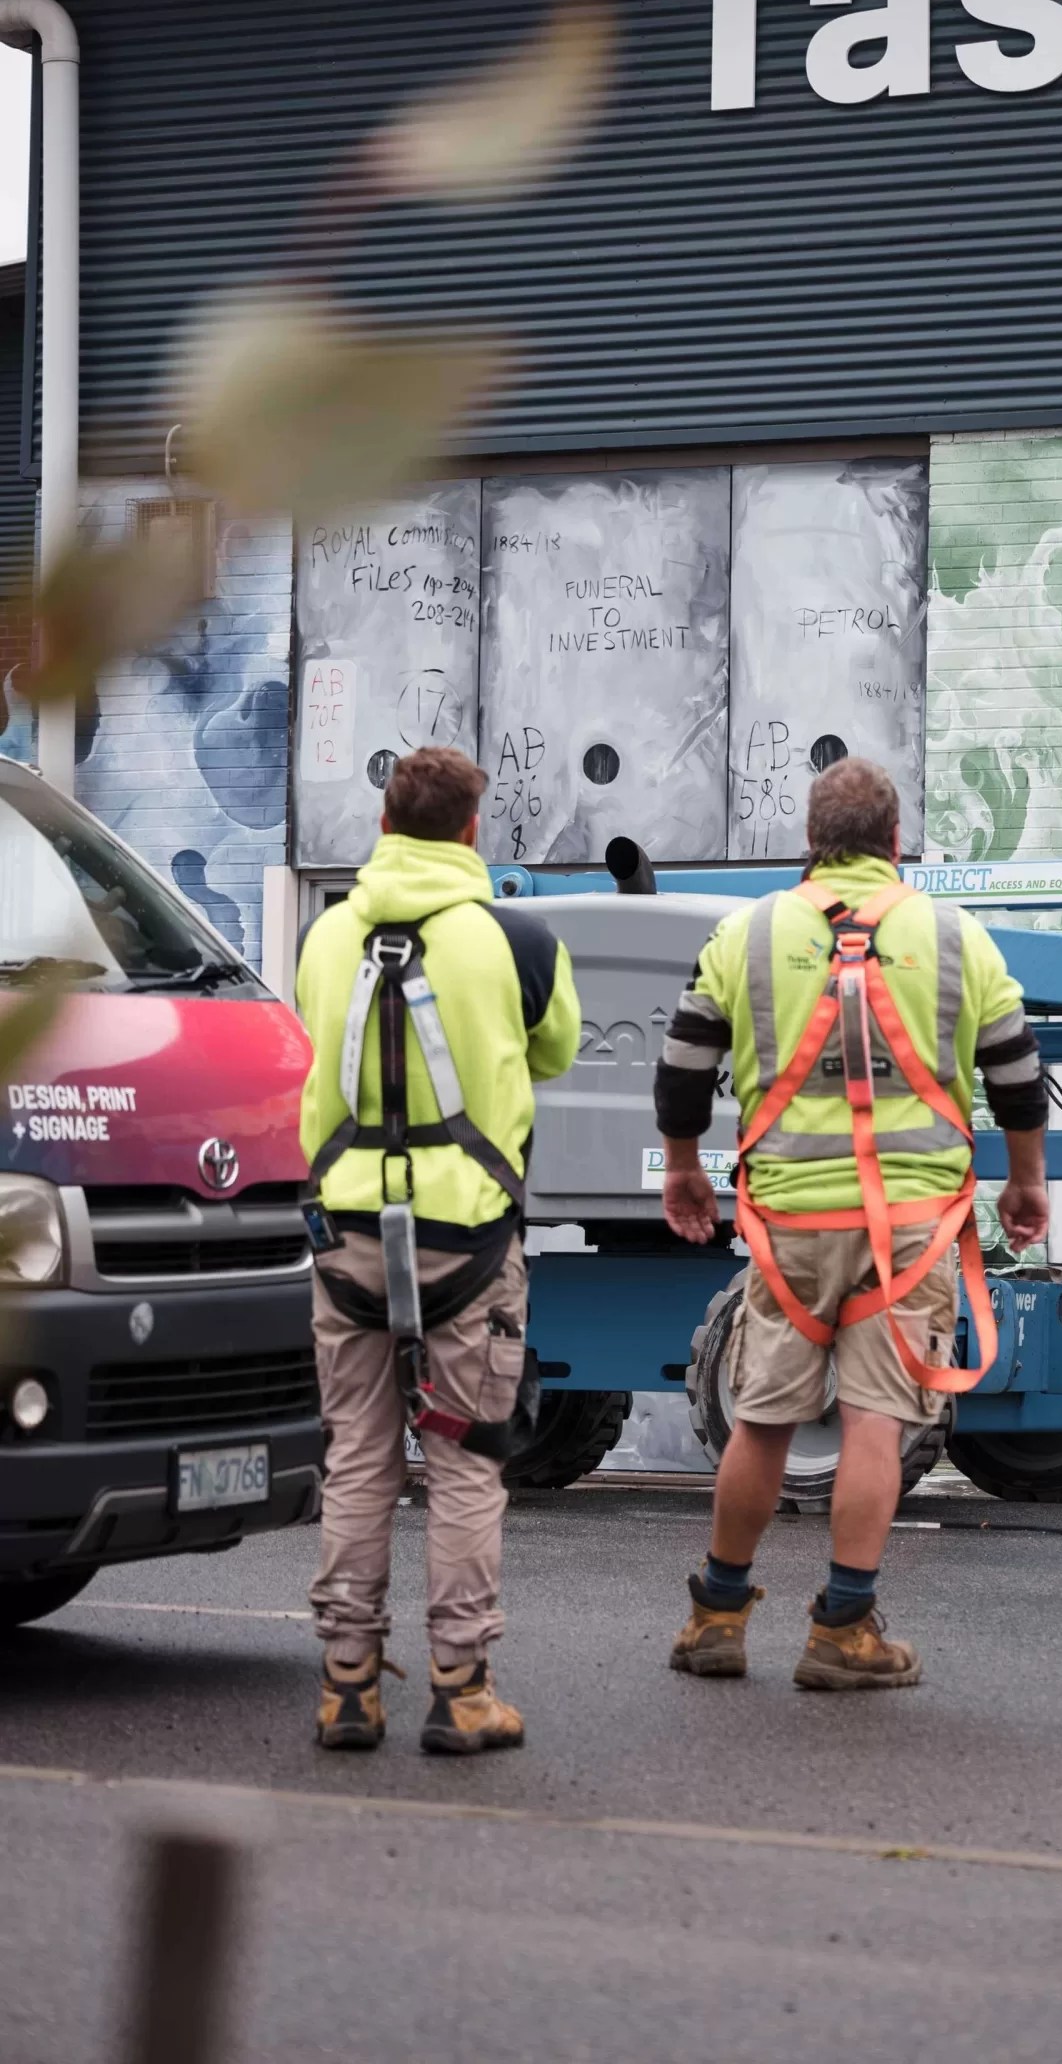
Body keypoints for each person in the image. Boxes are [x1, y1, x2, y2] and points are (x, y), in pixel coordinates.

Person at [654, 755, 1049, 1688]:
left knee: (760, 1419)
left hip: (789, 1220)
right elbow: (1017, 1076)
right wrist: (1025, 1184)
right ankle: (841, 1633)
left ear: (810, 840)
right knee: (875, 1423)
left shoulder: (744, 935)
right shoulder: (956, 938)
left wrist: (681, 1172)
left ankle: (716, 1617)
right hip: (909, 1225)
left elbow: (680, 1071)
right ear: (896, 841)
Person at [295, 744, 580, 1754]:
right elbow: (554, 1050)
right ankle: (460, 1690)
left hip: (349, 1241)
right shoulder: (518, 942)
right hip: (468, 1243)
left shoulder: (324, 938)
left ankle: (345, 1685)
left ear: (382, 825)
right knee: (464, 1466)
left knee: (359, 1461)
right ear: (472, 831)